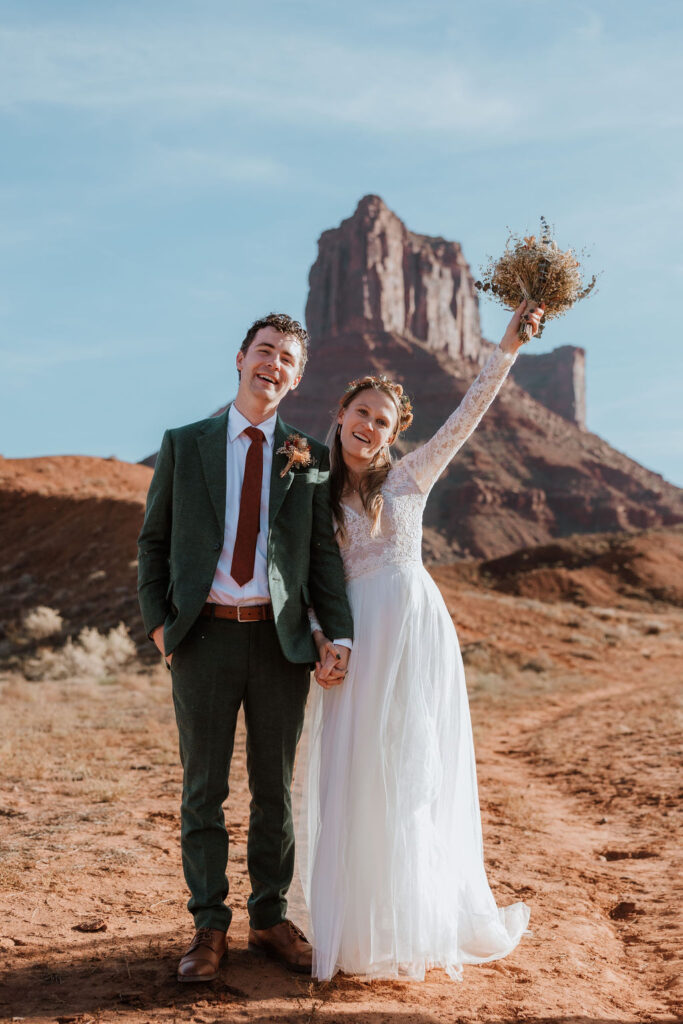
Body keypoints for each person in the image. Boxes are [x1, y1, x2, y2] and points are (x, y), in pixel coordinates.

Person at [296, 300, 544, 981]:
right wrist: (322, 640)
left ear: (391, 431)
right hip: (355, 641)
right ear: (340, 413)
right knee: (356, 774)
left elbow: (469, 412)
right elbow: (308, 578)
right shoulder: (313, 491)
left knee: (411, 773)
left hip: (416, 635)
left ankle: (420, 919)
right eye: (361, 412)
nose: (368, 425)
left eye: (382, 419)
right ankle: (355, 928)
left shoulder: (411, 476)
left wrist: (508, 346)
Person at [137, 313, 353, 983]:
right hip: (202, 640)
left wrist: (336, 632)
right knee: (203, 791)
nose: (274, 364)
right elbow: (153, 540)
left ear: (296, 376)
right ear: (240, 359)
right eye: (265, 352)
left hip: (278, 642)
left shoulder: (309, 457)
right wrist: (158, 626)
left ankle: (269, 918)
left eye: (287, 358)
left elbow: (320, 555)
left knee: (273, 792)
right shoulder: (185, 443)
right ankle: (208, 927)